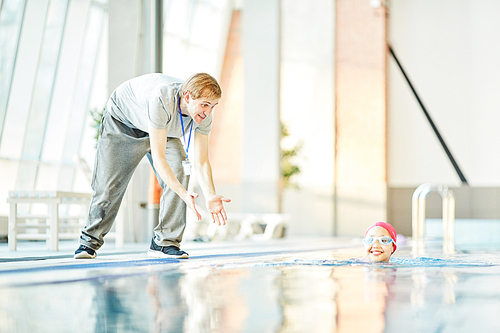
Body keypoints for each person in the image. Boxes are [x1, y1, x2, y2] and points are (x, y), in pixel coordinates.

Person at [74, 73, 231, 259]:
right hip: (123, 122)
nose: (208, 112)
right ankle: (89, 242)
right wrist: (183, 194)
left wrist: (210, 194)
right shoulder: (161, 98)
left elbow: (202, 161)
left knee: (179, 171)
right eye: (205, 104)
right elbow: (159, 159)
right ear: (187, 97)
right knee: (109, 186)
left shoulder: (203, 116)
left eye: (213, 106)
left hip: (163, 127)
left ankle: (165, 242)